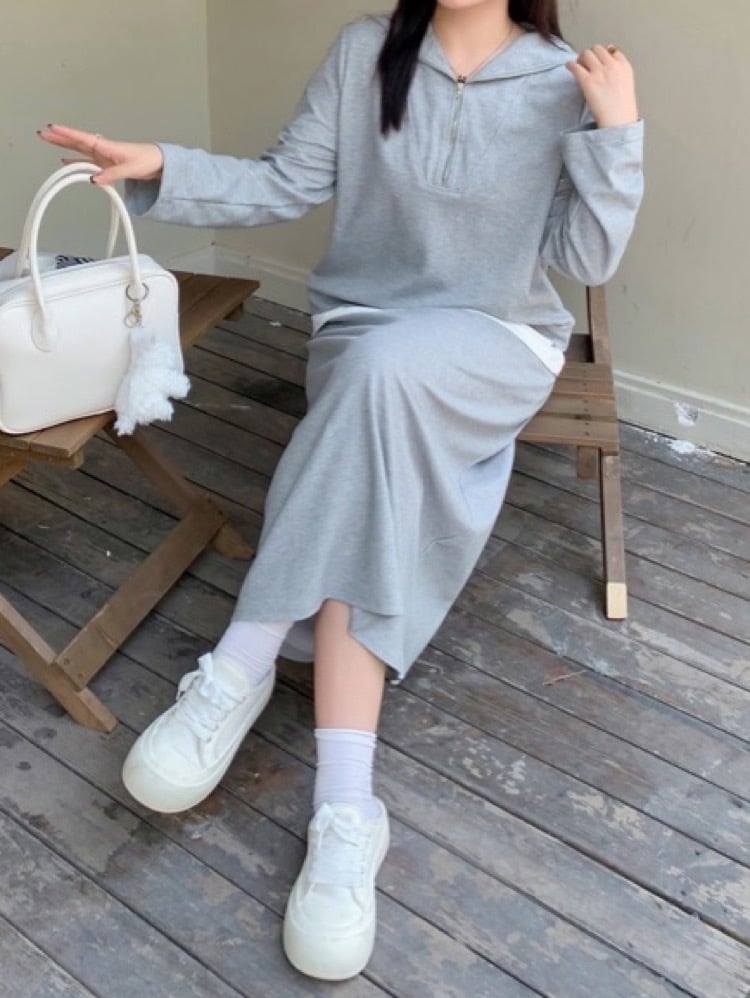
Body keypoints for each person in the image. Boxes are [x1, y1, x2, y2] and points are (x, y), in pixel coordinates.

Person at [39, 0, 643, 982]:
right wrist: (160, 164)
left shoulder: (562, 80)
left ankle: (240, 660)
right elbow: (286, 181)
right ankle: (347, 805)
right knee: (375, 417)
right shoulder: (367, 52)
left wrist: (617, 131)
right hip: (363, 332)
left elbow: (584, 261)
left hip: (495, 343)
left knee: (378, 391)